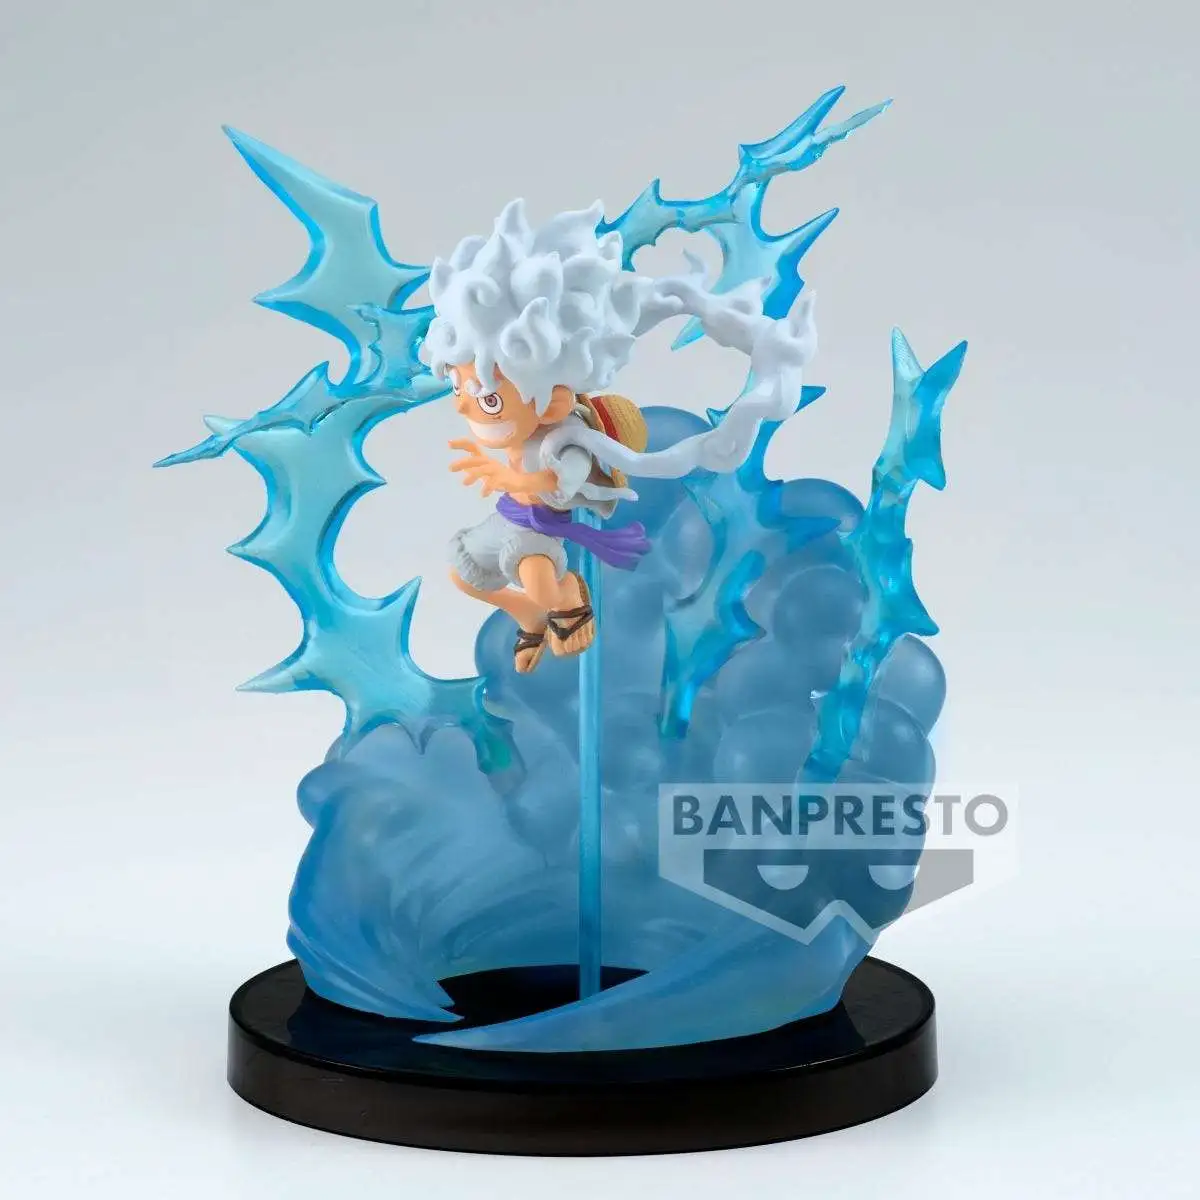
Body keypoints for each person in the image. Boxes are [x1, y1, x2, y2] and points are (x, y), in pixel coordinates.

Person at [423, 198, 817, 673]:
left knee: (541, 583)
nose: (463, 405)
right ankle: (528, 615)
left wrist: (512, 479)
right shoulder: (524, 433)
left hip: (537, 535)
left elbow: (559, 488)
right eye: (459, 387)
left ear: (552, 400)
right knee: (462, 572)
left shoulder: (565, 442)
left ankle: (568, 600)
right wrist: (504, 477)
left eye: (486, 398)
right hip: (504, 522)